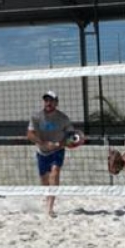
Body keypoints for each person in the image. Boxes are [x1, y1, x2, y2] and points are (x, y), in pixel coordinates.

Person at [27, 89, 79, 218]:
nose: (48, 103)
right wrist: (43, 143)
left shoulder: (63, 118)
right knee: (44, 180)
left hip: (57, 150)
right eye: (46, 100)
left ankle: (50, 208)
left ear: (56, 102)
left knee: (55, 173)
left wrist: (63, 143)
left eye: (51, 100)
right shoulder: (36, 116)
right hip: (42, 151)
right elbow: (29, 134)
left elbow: (72, 136)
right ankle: (47, 200)